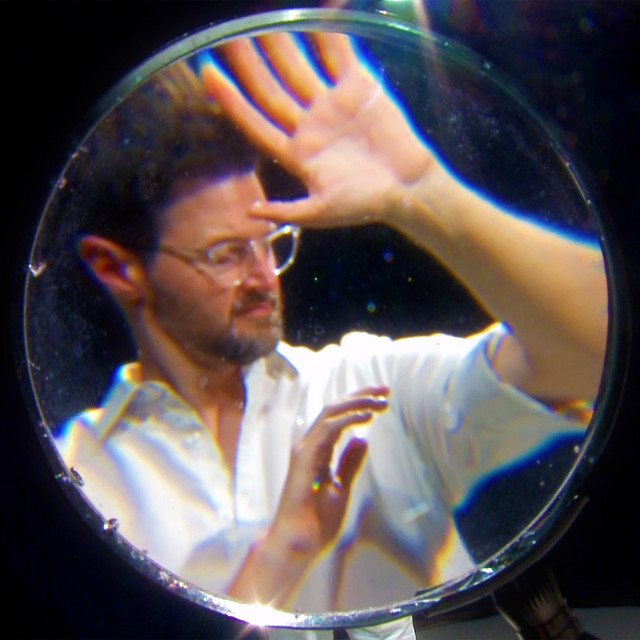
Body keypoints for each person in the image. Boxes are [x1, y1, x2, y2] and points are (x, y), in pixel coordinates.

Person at [54, 32, 607, 639]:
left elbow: (597, 353)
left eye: (271, 242)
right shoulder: (82, 473)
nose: (264, 278)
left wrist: (424, 194)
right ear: (117, 269)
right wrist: (282, 553)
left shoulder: (364, 390)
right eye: (225, 254)